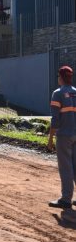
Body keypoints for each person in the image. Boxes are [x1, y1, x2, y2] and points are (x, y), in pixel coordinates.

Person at [48, 65, 76, 209]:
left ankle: (66, 199)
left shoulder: (57, 93)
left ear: (60, 77)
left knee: (65, 167)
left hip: (64, 135)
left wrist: (50, 139)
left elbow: (55, 119)